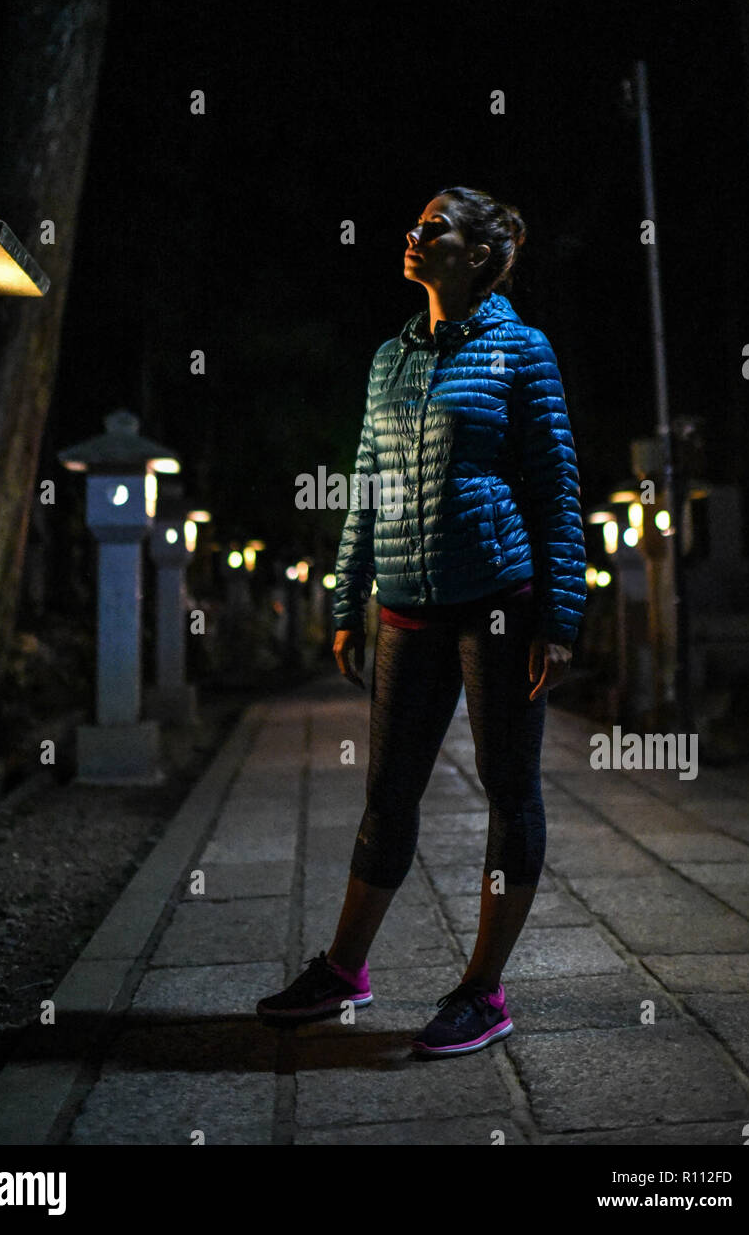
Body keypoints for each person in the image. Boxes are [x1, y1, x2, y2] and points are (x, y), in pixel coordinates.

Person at [257, 186, 587, 1056]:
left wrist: (559, 616)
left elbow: (555, 490)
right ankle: (343, 969)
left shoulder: (523, 351)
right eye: (413, 225)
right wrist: (345, 597)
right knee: (386, 794)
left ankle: (483, 991)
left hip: (498, 604)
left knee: (508, 788)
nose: (412, 236)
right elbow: (366, 485)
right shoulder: (388, 359)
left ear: (478, 253)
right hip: (404, 607)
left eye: (432, 228)